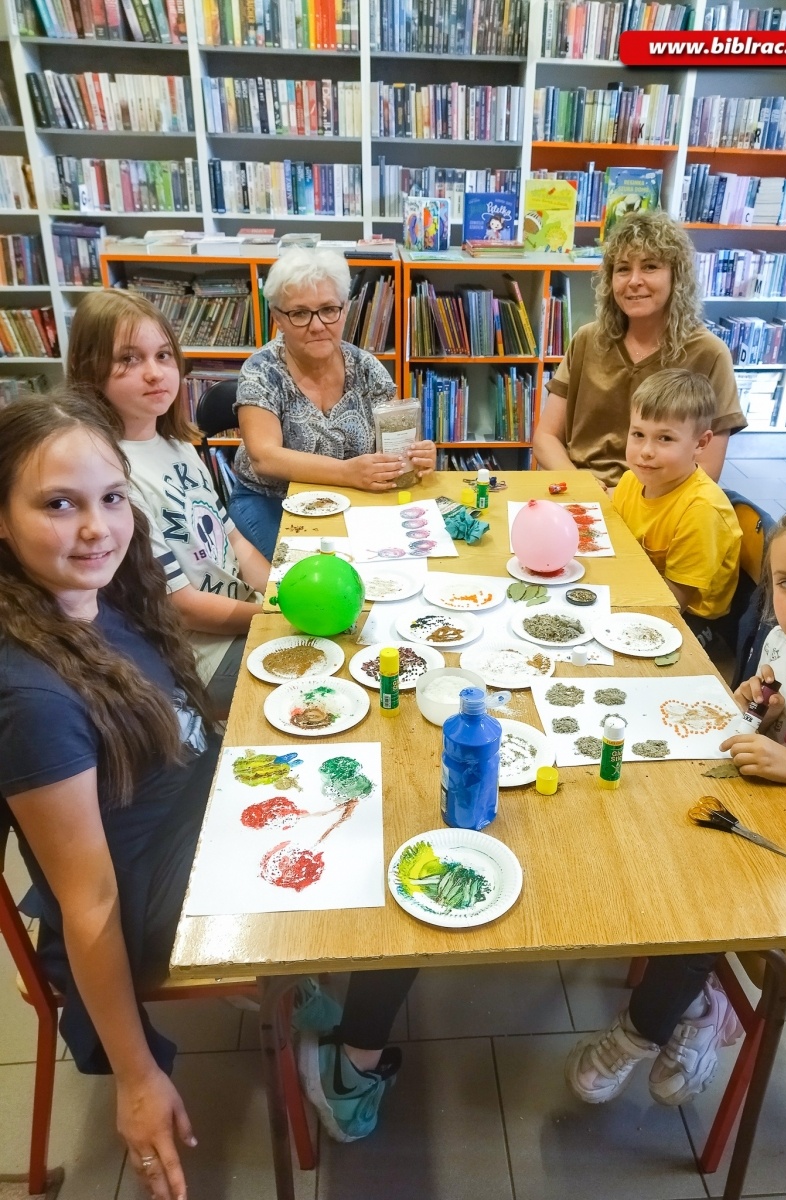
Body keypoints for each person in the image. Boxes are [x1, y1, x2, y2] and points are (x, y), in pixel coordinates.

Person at [0, 396, 415, 1192]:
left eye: (111, 497)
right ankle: (349, 1066)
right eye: (58, 505)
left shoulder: (100, 596)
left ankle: (312, 992)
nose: (96, 528)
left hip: (200, 801)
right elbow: (89, 901)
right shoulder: (32, 699)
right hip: (156, 891)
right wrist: (136, 1076)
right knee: (398, 860)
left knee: (382, 763)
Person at [565, 492, 786, 1110]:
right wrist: (759, 710)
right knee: (647, 831)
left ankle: (642, 1030)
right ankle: (699, 1002)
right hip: (771, 810)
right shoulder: (785, 645)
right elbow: (774, 723)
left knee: (708, 902)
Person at [66, 290, 268, 714]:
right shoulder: (111, 476)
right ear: (90, 370)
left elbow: (233, 539)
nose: (155, 373)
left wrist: (279, 591)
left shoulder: (179, 447)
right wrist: (274, 617)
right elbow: (182, 608)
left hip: (240, 616)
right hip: (199, 658)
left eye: (163, 355)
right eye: (129, 359)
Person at [229, 247, 437, 559]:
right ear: (278, 318)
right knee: (308, 574)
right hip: (270, 501)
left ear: (345, 308)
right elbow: (264, 458)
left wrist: (417, 456)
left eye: (328, 309)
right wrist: (347, 472)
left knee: (388, 564)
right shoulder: (262, 371)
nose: (317, 325)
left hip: (348, 499)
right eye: (300, 313)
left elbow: (393, 442)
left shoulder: (366, 368)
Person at [533, 210, 747, 489]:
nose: (634, 281)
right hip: (582, 490)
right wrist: (582, 485)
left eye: (650, 267)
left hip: (662, 499)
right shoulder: (587, 340)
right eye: (623, 269)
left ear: (676, 278)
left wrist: (628, 499)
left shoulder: (710, 353)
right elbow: (546, 438)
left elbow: (707, 470)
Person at [612, 368, 741, 633]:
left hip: (692, 620)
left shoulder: (701, 511)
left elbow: (674, 603)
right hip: (640, 583)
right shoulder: (630, 481)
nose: (646, 451)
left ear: (701, 443)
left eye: (665, 438)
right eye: (638, 434)